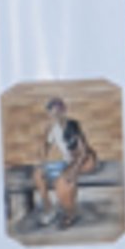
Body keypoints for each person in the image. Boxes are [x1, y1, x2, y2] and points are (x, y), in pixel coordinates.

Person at [35, 97, 98, 230]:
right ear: (50, 114)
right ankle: (49, 208)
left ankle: (70, 213)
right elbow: (45, 147)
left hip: (84, 160)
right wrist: (42, 159)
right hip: (68, 161)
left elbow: (83, 152)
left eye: (59, 111)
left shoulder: (73, 125)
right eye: (53, 113)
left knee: (62, 181)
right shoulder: (53, 129)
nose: (56, 115)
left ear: (64, 111)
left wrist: (73, 171)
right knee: (38, 174)